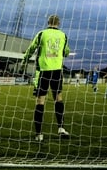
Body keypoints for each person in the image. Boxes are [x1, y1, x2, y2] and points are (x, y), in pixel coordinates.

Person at [23, 14, 71, 142]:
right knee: (58, 98)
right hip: (57, 71)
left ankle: (39, 134)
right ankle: (61, 128)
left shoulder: (41, 34)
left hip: (43, 71)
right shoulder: (63, 35)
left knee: (40, 101)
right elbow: (66, 52)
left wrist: (24, 60)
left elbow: (31, 48)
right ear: (58, 23)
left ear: (48, 22)